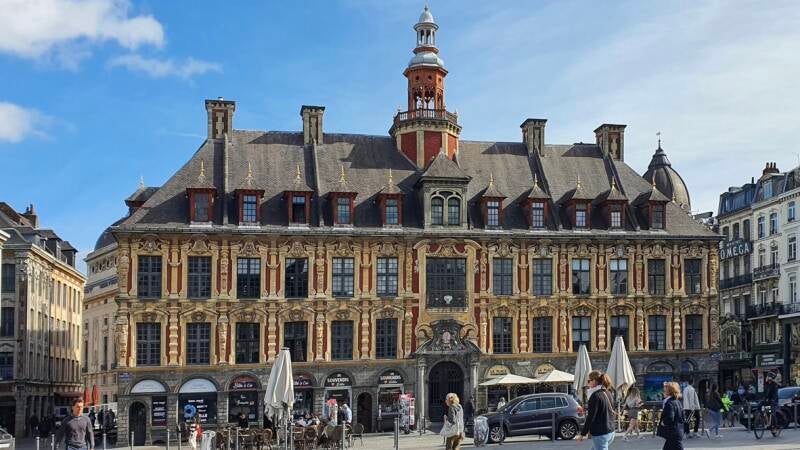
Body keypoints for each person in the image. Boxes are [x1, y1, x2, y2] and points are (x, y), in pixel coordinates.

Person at [577, 370, 615, 450]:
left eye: (589, 381)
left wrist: (583, 434)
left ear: (594, 381)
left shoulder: (595, 396)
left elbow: (591, 416)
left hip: (601, 433)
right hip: (610, 431)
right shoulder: (608, 393)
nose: (588, 383)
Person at [658, 382, 685, 450]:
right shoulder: (677, 401)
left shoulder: (670, 403)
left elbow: (670, 417)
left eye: (664, 391)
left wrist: (663, 422)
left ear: (669, 392)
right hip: (677, 431)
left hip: (673, 433)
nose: (663, 392)